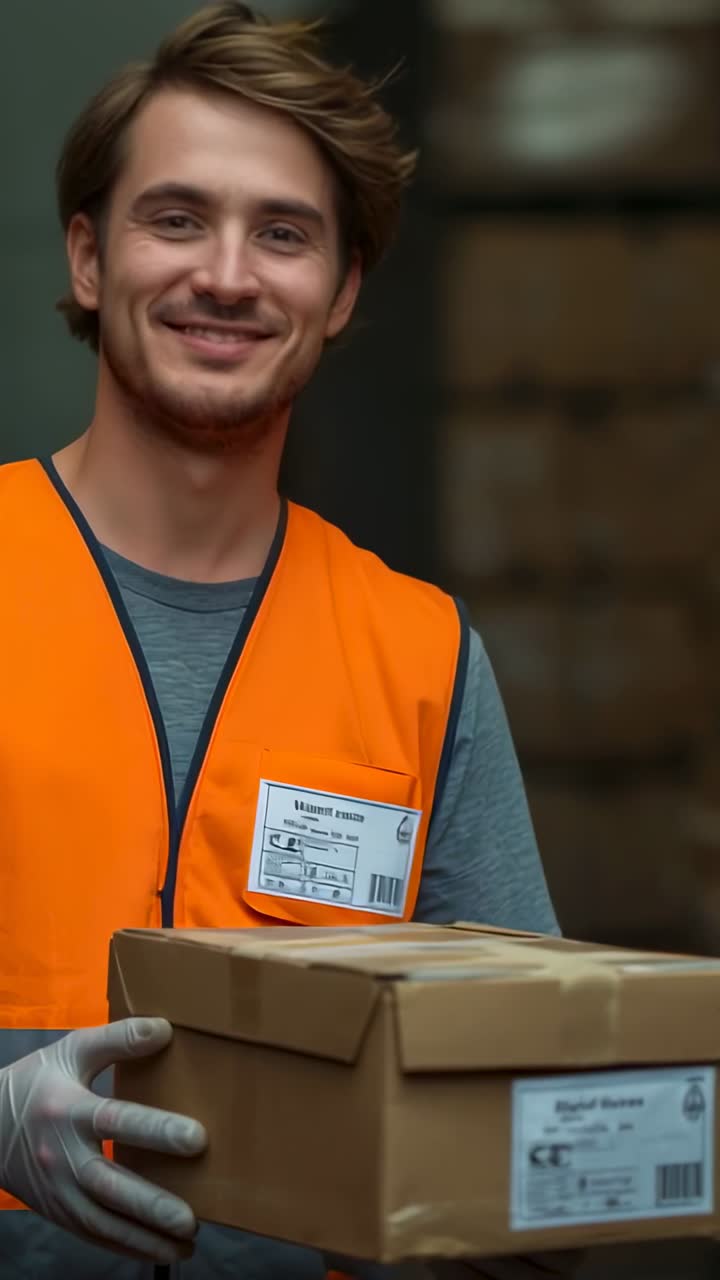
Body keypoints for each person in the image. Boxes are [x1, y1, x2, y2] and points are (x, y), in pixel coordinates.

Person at [0, 3, 568, 1278]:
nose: (228, 275)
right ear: (87, 257)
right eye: (176, 217)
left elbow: (522, 1087)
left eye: (284, 233)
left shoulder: (421, 657)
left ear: (343, 292)